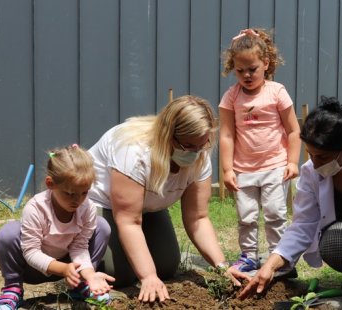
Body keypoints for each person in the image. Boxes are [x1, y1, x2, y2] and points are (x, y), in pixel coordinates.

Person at [239, 97, 342, 310]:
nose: (315, 163)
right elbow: (302, 225)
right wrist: (270, 266)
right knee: (334, 244)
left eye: (323, 156)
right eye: (311, 155)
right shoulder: (311, 172)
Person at [87, 95, 249, 303]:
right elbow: (129, 220)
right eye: (189, 145)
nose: (196, 152)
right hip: (103, 204)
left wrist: (221, 267)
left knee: (166, 265)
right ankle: (70, 257)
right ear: (168, 136)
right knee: (118, 273)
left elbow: (198, 218)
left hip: (148, 207)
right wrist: (148, 277)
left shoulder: (199, 155)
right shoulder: (134, 151)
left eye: (202, 144)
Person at [0, 144, 114, 310]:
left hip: (71, 269)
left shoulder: (87, 208)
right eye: (70, 193)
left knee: (102, 226)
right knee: (9, 233)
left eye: (84, 192)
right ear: (51, 184)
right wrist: (63, 269)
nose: (77, 200)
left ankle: (81, 285)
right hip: (33, 268)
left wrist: (89, 274)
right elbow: (31, 251)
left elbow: (79, 246)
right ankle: (12, 289)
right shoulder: (36, 208)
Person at [219, 28, 301, 273]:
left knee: (276, 214)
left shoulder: (276, 92)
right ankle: (249, 256)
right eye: (239, 70)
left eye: (252, 69)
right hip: (243, 169)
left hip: (275, 165)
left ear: (265, 63)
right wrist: (226, 169)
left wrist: (293, 162)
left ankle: (281, 258)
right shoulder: (231, 97)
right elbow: (225, 134)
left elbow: (294, 130)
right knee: (246, 216)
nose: (246, 75)